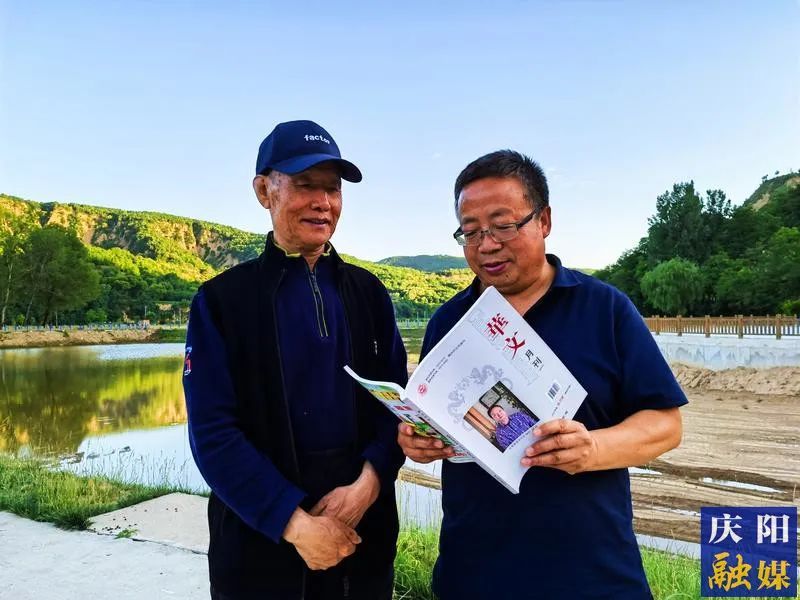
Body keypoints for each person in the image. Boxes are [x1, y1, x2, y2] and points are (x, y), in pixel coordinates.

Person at [397, 150, 687, 599]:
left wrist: (592, 448)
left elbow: (666, 425)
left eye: (503, 225)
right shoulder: (448, 322)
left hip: (593, 578)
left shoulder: (605, 308)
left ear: (544, 220)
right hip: (473, 575)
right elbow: (434, 418)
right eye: (470, 232)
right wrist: (418, 442)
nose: (486, 245)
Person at [183, 120, 407, 599]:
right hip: (260, 546)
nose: (323, 202)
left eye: (333, 188)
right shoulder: (222, 301)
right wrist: (295, 524)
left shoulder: (369, 292)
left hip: (361, 539)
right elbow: (212, 433)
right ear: (264, 191)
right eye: (306, 184)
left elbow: (398, 406)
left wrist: (369, 484)